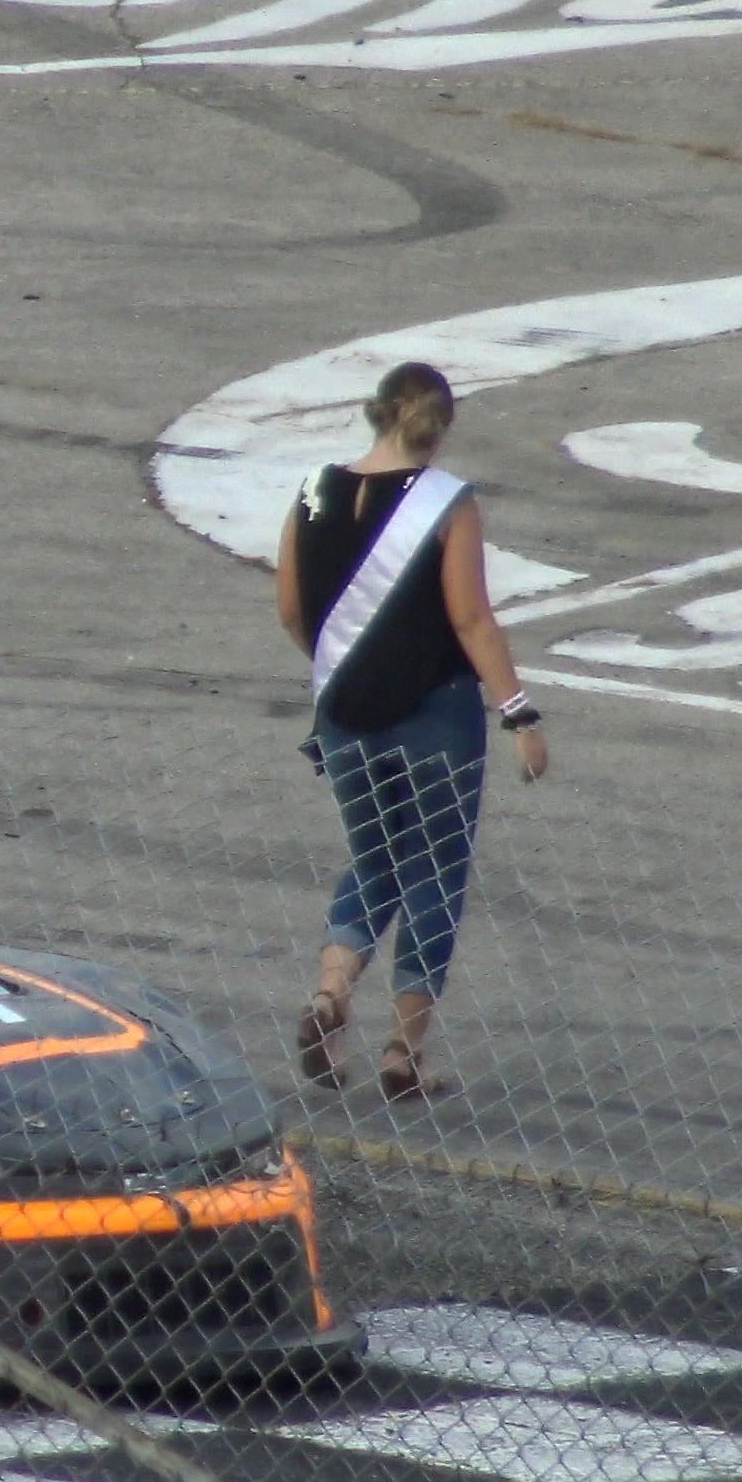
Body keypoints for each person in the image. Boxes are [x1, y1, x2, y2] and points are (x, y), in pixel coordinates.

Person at [273, 361, 549, 1100]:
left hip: (345, 712)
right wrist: (519, 712)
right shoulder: (448, 504)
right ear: (439, 425)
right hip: (437, 717)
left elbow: (293, 610)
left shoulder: (314, 490)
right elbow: (470, 618)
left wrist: (349, 672)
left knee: (373, 861)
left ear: (377, 410)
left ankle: (331, 995)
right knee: (434, 870)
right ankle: (404, 1053)